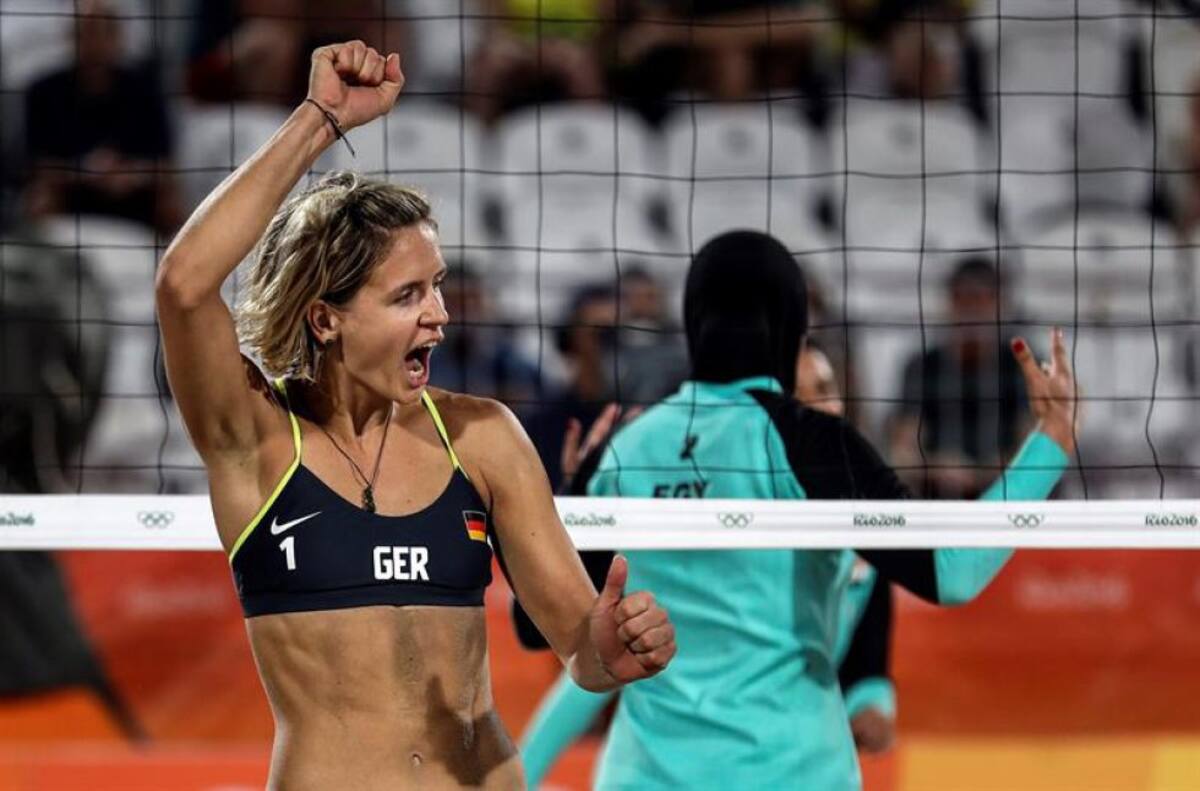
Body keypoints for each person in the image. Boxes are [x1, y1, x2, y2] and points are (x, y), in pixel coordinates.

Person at [155, 41, 675, 789]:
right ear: (326, 318)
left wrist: (611, 649)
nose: (439, 315)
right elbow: (183, 285)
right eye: (407, 296)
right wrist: (320, 119)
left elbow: (581, 648)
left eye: (436, 285)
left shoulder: (482, 436)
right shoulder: (259, 439)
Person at [578, 229, 1078, 789]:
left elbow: (540, 627)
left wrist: (571, 492)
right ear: (793, 327)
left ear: (692, 321)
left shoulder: (620, 450)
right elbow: (952, 571)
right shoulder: (815, 442)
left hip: (646, 776)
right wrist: (1051, 440)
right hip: (792, 772)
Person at [516, 344, 897, 787]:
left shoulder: (862, 532)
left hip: (788, 769)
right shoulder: (699, 532)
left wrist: (874, 707)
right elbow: (590, 671)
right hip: (662, 770)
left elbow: (865, 667)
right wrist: (519, 776)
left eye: (826, 388)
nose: (820, 406)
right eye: (799, 393)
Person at [23, 0, 181, 232]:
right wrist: (86, 171)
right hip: (70, 194)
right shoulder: (44, 90)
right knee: (39, 197)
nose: (94, 42)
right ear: (70, 38)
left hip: (133, 196)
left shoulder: (144, 90)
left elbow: (165, 165)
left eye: (102, 32)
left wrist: (129, 173)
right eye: (85, 33)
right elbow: (36, 166)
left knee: (172, 200)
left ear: (118, 37)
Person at [889, 256, 1029, 499]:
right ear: (950, 303)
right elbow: (901, 453)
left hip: (1010, 500)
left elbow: (1035, 443)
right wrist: (936, 467)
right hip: (936, 502)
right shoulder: (921, 366)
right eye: (962, 299)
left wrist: (994, 468)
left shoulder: (1021, 365)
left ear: (1000, 304)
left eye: (982, 299)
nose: (972, 310)